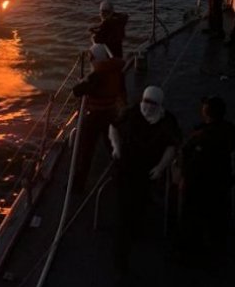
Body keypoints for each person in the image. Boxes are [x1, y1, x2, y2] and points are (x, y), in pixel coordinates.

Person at [109, 86, 182, 269]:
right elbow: (113, 127)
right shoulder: (131, 112)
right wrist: (116, 147)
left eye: (152, 103)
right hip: (125, 168)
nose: (147, 106)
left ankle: (137, 225)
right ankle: (121, 259)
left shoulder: (167, 121)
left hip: (148, 171)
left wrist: (160, 167)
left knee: (140, 202)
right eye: (145, 101)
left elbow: (172, 147)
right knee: (124, 211)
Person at [177, 96, 235, 263]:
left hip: (201, 185)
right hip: (222, 182)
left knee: (190, 218)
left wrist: (184, 179)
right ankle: (216, 250)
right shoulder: (230, 130)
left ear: (206, 112)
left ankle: (188, 253)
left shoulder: (202, 137)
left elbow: (191, 160)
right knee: (217, 219)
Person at [71, 43, 126, 192]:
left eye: (90, 57)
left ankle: (78, 185)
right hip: (111, 114)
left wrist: (82, 82)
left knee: (86, 151)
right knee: (113, 147)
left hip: (95, 117)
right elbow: (122, 91)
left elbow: (77, 91)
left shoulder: (96, 76)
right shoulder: (116, 72)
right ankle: (123, 174)